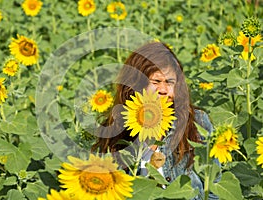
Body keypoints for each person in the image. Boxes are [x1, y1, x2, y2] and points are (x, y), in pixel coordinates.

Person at [91, 41, 219, 199]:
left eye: (170, 82)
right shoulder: (116, 130)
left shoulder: (196, 123)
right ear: (136, 85)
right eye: (156, 82)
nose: (164, 90)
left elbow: (214, 188)